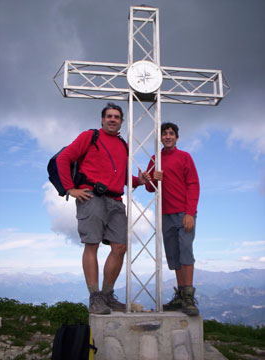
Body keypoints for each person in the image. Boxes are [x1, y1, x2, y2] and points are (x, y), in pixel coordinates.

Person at [56, 103, 150, 315]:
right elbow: (64, 158)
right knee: (92, 245)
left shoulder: (122, 144)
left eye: (116, 117)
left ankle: (107, 296)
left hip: (116, 199)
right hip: (91, 197)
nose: (112, 119)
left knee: (120, 247)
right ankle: (95, 297)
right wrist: (70, 188)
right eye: (109, 116)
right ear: (102, 119)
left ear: (121, 122)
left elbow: (123, 175)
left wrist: (139, 181)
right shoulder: (90, 136)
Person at [145, 122, 200, 316]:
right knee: (174, 254)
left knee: (186, 249)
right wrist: (153, 177)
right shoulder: (155, 159)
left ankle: (188, 297)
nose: (167, 136)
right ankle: (180, 297)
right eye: (164, 134)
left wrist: (190, 212)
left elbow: (193, 184)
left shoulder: (184, 157)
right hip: (165, 214)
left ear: (177, 137)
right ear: (160, 137)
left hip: (184, 212)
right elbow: (150, 188)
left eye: (171, 134)